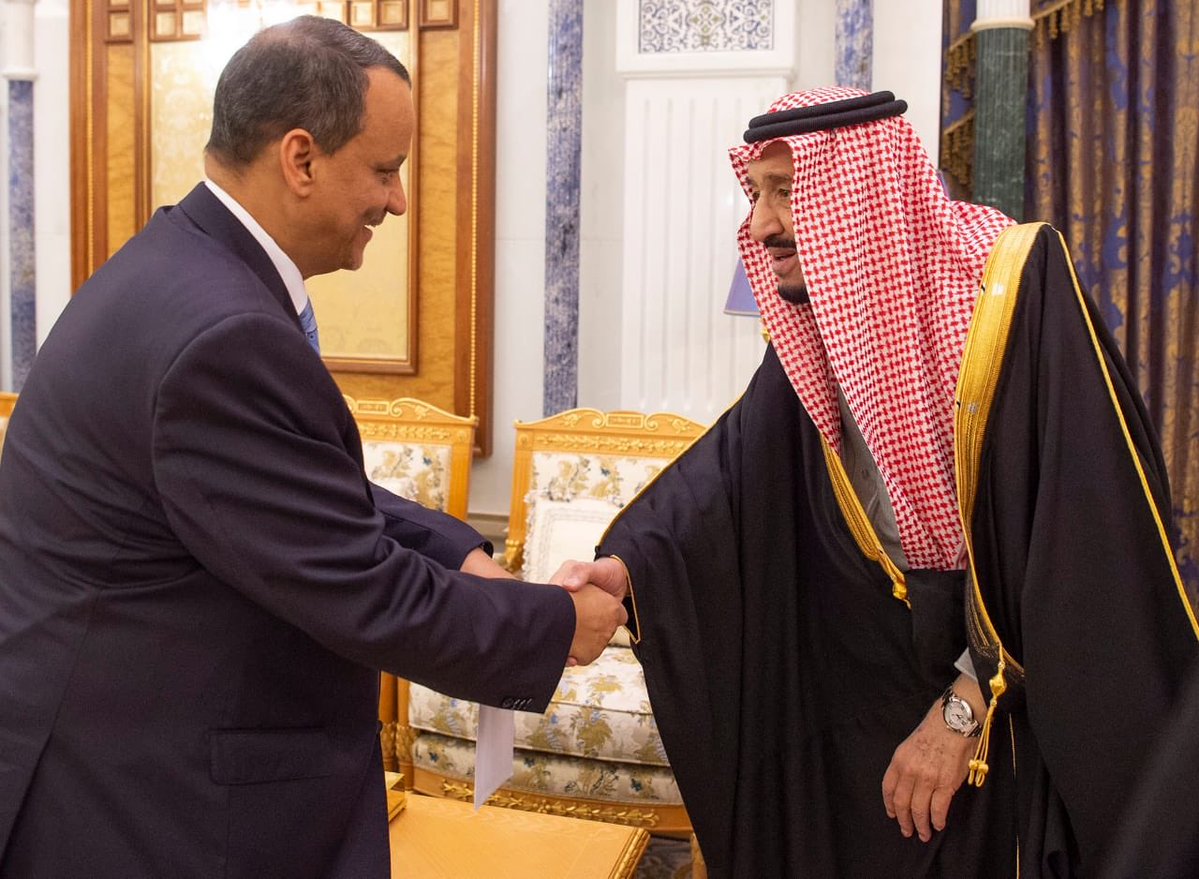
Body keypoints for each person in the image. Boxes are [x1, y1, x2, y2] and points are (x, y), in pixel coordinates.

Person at [0, 17, 625, 878]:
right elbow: (356, 584)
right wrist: (552, 624)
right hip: (155, 800)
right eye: (384, 170)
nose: (396, 202)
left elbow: (298, 491)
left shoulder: (178, 264)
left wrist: (457, 550)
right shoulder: (222, 333)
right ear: (300, 158)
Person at [556, 87, 1199, 878]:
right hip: (871, 667)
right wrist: (629, 570)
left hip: (1007, 691)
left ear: (859, 195)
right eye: (755, 194)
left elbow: (1083, 547)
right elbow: (730, 477)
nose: (760, 225)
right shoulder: (820, 322)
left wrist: (962, 707)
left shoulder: (1012, 292)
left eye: (785, 192)